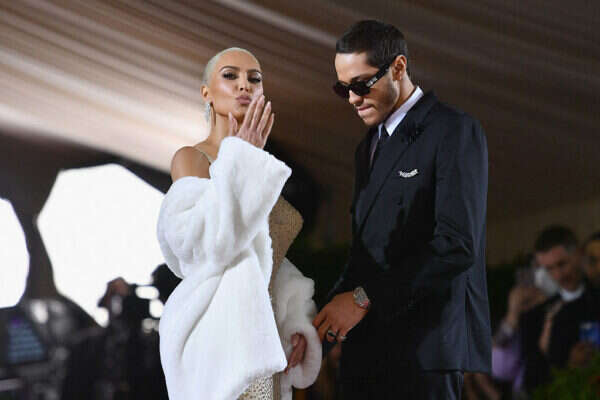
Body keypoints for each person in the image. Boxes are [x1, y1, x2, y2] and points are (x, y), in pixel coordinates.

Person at [313, 20, 491, 399]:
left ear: (398, 67)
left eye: (362, 84)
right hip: (365, 354)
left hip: (425, 354)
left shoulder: (453, 130)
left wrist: (363, 299)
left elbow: (457, 244)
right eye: (343, 88)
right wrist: (316, 335)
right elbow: (363, 257)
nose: (353, 99)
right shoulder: (367, 147)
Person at [156, 47, 321, 400]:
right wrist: (241, 160)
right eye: (230, 75)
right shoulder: (192, 158)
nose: (244, 85)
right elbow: (206, 245)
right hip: (223, 340)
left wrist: (297, 319)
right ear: (206, 93)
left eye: (254, 79)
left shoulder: (258, 166)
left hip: (265, 337)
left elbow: (268, 257)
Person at [519, 226, 600, 391]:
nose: (558, 275)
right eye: (549, 268)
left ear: (578, 255)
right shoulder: (534, 317)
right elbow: (531, 382)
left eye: (562, 264)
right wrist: (568, 365)